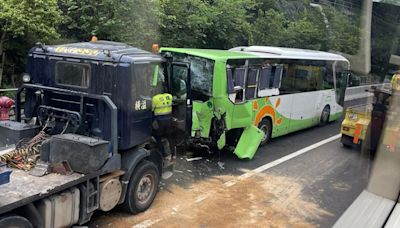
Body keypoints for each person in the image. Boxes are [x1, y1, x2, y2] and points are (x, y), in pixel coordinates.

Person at [152, 93, 174, 160]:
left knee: (158, 137)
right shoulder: (169, 96)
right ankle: (173, 154)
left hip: (160, 122)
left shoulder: (155, 98)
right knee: (169, 137)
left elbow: (151, 110)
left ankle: (163, 155)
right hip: (169, 121)